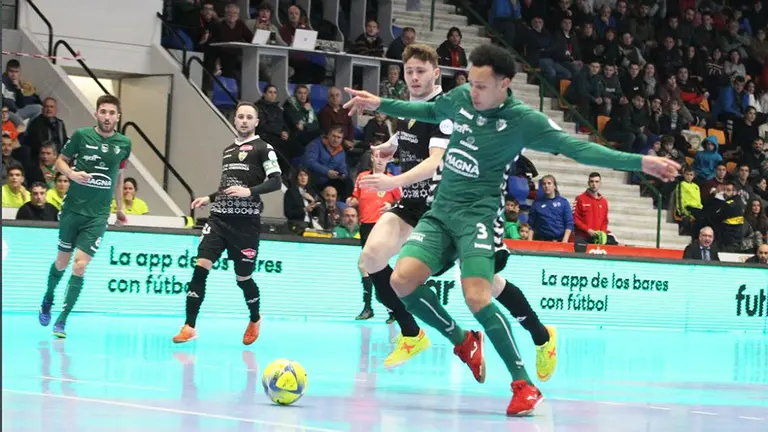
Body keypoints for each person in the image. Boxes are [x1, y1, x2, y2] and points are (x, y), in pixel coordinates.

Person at [343, 43, 680, 416]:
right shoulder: (461, 98)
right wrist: (379, 103)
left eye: (482, 86)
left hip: (480, 217)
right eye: (470, 84)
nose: (473, 93)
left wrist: (640, 162)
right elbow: (426, 109)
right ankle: (463, 341)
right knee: (401, 281)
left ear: (505, 84)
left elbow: (578, 150)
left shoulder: (523, 121)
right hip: (441, 211)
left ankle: (525, 385)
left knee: (478, 295)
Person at [351, 44, 558, 383]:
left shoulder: (449, 110)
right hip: (413, 204)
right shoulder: (407, 110)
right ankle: (412, 333)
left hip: (445, 206)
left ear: (437, 73)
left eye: (421, 71)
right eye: (409, 72)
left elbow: (437, 161)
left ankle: (541, 336)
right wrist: (388, 149)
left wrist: (393, 180)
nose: (414, 77)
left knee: (487, 286)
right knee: (371, 258)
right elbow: (408, 141)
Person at [172, 102, 282, 345]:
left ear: (256, 122)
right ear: (234, 120)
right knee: (200, 267)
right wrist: (209, 198)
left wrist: (249, 191)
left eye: (249, 117)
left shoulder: (264, 148)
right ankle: (190, 326)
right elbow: (227, 187)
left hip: (246, 225)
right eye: (240, 116)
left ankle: (255, 318)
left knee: (243, 279)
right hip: (219, 219)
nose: (244, 120)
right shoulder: (228, 151)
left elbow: (275, 181)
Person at [38, 94, 132, 338]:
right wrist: (72, 174)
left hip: (98, 215)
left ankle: (63, 319)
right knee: (62, 262)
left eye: (112, 113)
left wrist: (119, 208)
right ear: (96, 114)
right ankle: (48, 296)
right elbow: (59, 162)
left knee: (80, 265)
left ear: (118, 117)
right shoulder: (81, 135)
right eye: (103, 112)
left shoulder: (124, 143)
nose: (107, 117)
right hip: (72, 210)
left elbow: (118, 177)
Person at [346, 149, 401, 321]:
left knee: (365, 265)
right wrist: (351, 201)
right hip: (366, 226)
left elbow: (403, 202)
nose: (379, 160)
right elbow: (356, 197)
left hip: (383, 225)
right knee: (374, 267)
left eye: (383, 157)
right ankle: (391, 309)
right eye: (376, 156)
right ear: (371, 158)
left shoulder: (392, 180)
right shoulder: (363, 177)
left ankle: (371, 307)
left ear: (389, 160)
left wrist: (391, 205)